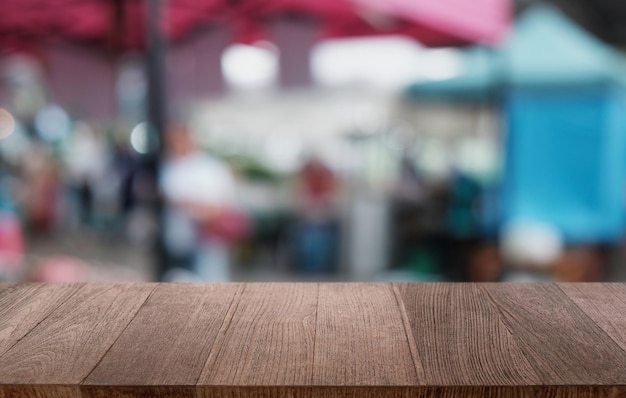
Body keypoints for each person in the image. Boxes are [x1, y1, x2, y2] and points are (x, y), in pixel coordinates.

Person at [160, 124, 243, 281]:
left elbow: (226, 200)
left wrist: (202, 208)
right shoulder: (169, 165)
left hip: (208, 237)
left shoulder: (211, 167)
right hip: (178, 237)